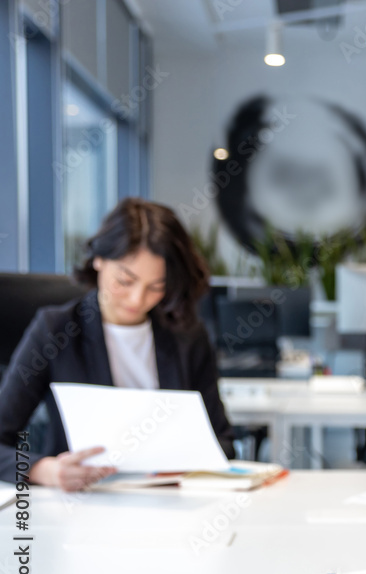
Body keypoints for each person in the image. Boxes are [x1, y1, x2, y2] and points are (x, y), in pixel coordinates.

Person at [0, 198, 235, 491]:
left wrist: (187, 463)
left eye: (156, 287)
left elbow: (222, 442)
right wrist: (42, 470)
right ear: (98, 259)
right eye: (125, 281)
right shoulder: (55, 331)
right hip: (81, 504)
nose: (138, 300)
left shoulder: (187, 335)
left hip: (170, 506)